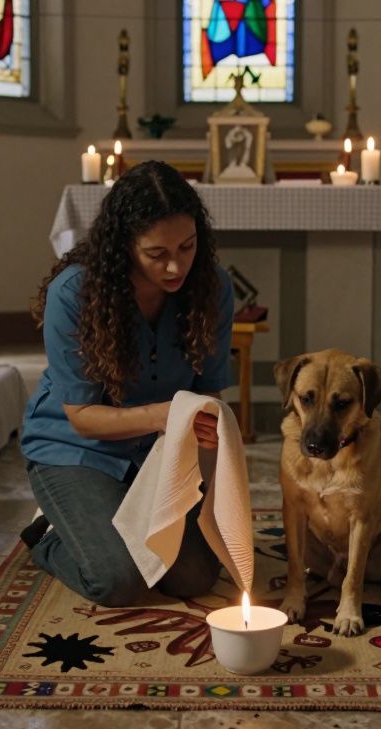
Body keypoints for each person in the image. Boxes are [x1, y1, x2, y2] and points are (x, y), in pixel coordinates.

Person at [19, 160, 234, 607]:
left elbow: (209, 395)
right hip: (78, 451)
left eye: (188, 247)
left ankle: (108, 523)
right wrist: (162, 416)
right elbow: (81, 418)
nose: (177, 266)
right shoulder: (73, 293)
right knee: (120, 580)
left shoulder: (212, 287)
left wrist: (212, 490)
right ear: (124, 246)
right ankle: (50, 534)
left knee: (195, 577)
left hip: (161, 455)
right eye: (157, 254)